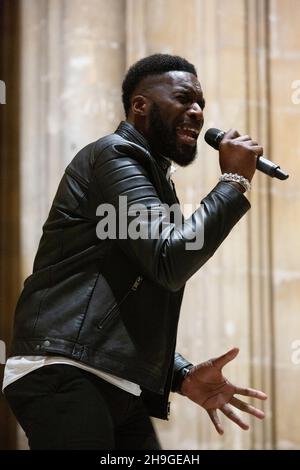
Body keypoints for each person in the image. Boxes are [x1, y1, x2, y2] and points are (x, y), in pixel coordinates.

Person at [3, 53, 267, 450]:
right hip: (63, 370)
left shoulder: (154, 179)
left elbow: (129, 289)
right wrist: (232, 182)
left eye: (201, 104)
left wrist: (180, 374)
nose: (197, 112)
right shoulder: (114, 154)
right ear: (140, 105)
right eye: (184, 98)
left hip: (112, 378)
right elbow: (169, 260)